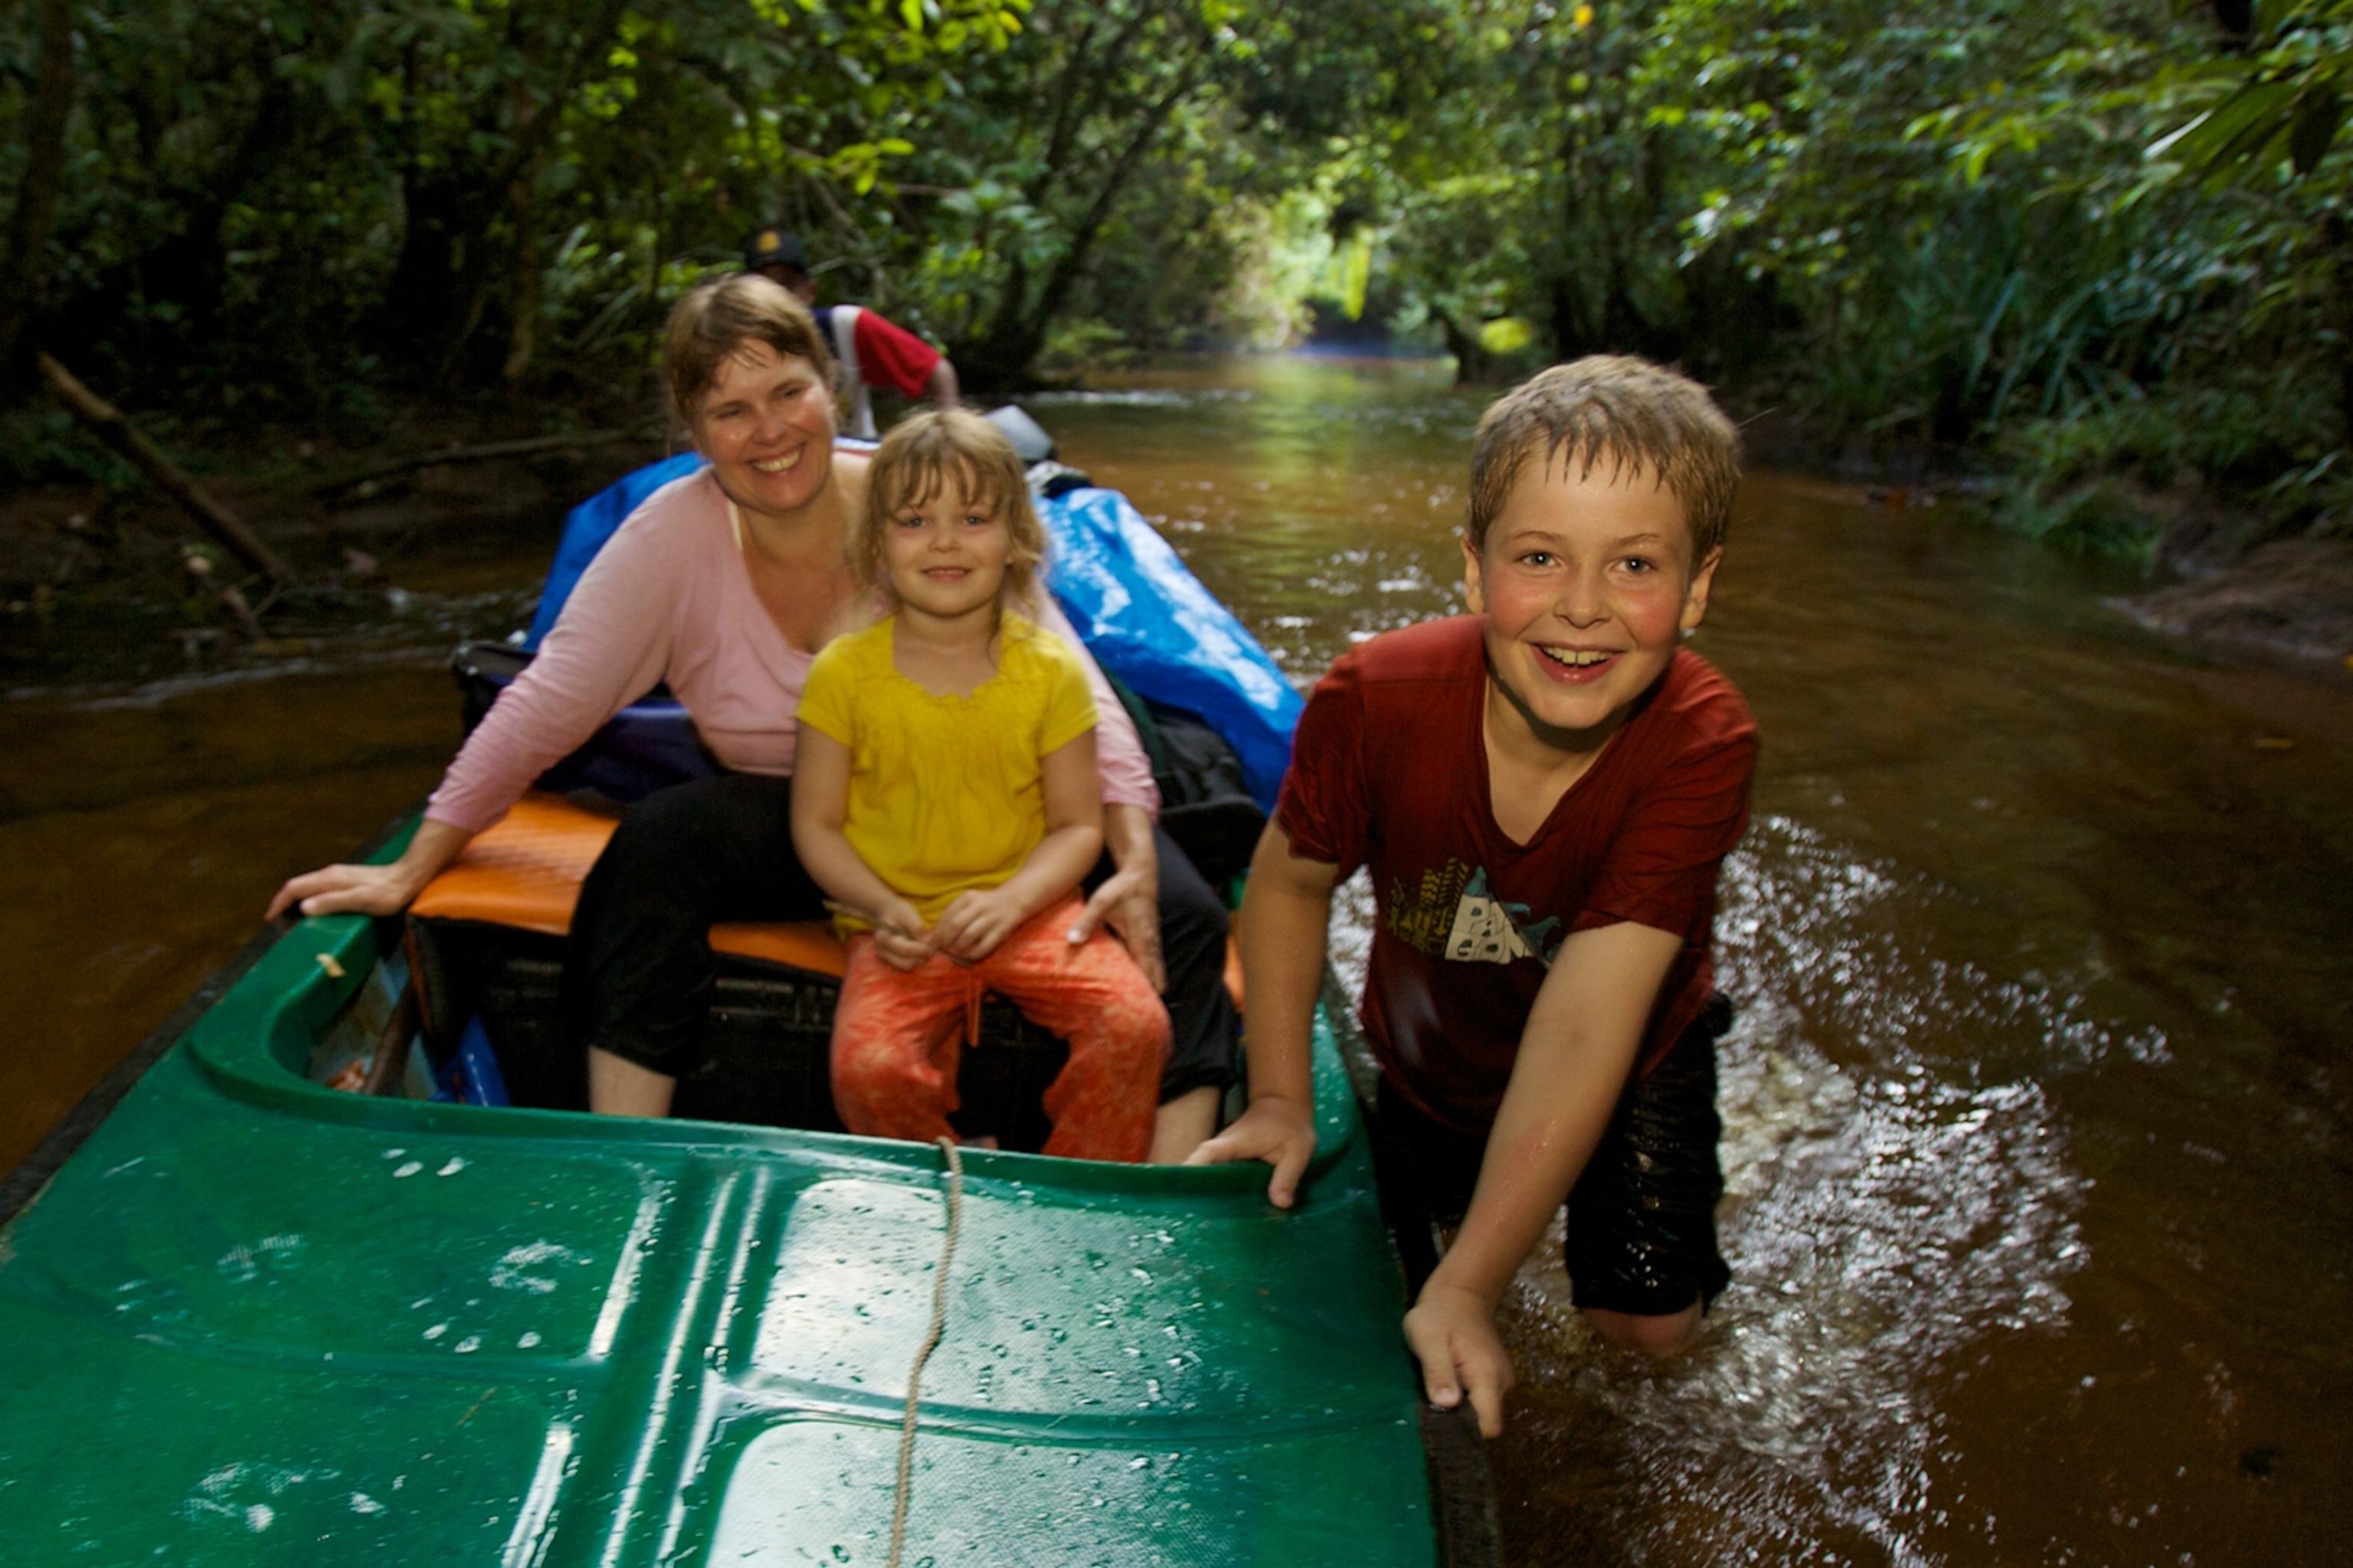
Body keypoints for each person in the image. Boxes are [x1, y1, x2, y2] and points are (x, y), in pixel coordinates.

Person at [267, 275, 1234, 1160]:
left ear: (829, 389)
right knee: (656, 846)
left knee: (1181, 905)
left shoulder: (916, 505)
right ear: (694, 430)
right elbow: (544, 705)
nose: (769, 431)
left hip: (995, 802)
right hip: (813, 823)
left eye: (786, 394)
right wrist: (413, 866)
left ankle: (1173, 1183)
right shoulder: (671, 543)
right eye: (731, 410)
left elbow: (1067, 673)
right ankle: (625, 1156)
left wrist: (1134, 840)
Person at [1190, 356, 1757, 1436]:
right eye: (1539, 557)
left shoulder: (1702, 740)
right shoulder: (1377, 696)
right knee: (1395, 1254)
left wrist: (1472, 1289)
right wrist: (1278, 1097)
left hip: (1631, 1040)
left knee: (1644, 1331)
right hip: (1434, 1029)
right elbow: (1291, 879)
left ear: (1696, 587)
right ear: (1474, 566)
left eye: (1634, 564)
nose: (1583, 608)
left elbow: (1592, 1016)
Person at [794, 411, 1170, 1160]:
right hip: (899, 925)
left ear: (1017, 541)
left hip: (1028, 907)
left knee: (1136, 1026)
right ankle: (944, 1188)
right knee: (867, 1069)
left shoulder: (1052, 672)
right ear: (876, 545)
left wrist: (1011, 901)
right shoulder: (841, 672)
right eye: (914, 520)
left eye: (973, 517)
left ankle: (1081, 1189)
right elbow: (816, 825)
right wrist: (878, 906)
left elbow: (1075, 827)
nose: (944, 540)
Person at [744, 227, 960, 439]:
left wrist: (951, 436)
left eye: (787, 286)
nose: (777, 300)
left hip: (852, 454)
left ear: (810, 292)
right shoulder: (737, 351)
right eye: (765, 290)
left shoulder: (846, 327)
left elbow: (935, 369)